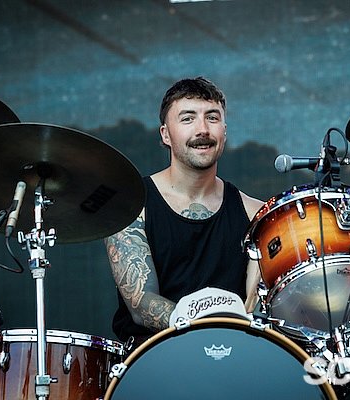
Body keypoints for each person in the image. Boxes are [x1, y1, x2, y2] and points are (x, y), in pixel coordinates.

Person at [105, 76, 263, 345]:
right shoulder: (132, 207)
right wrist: (202, 320)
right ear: (165, 134)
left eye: (212, 118)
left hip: (230, 355)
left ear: (224, 131)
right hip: (152, 358)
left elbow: (255, 308)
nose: (203, 129)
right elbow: (140, 303)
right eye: (188, 118)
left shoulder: (255, 214)